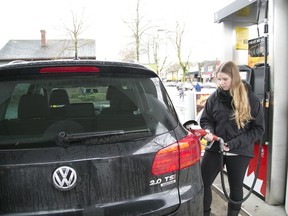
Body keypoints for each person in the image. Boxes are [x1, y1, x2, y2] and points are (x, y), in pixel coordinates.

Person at [200, 61, 265, 216]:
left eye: (225, 80)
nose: (221, 83)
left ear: (234, 78)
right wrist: (209, 131)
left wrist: (234, 143)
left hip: (239, 151)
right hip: (216, 147)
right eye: (219, 79)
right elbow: (206, 119)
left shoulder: (251, 99)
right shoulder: (214, 98)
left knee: (235, 188)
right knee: (203, 183)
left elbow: (258, 129)